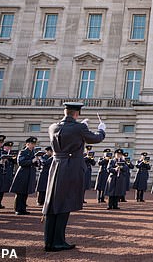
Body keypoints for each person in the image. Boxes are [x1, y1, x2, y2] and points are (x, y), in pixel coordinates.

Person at [42, 102, 105, 252]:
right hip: (70, 167)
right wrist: (101, 130)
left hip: (56, 165)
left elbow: (67, 135)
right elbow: (95, 139)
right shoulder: (79, 128)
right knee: (65, 203)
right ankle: (58, 241)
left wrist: (80, 128)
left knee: (53, 202)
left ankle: (49, 241)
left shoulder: (53, 127)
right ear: (76, 114)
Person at [10, 136, 39, 215]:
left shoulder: (33, 153)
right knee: (20, 193)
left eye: (34, 144)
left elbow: (36, 164)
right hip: (23, 174)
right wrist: (32, 160)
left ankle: (23, 209)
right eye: (31, 144)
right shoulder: (23, 152)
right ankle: (18, 209)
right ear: (27, 144)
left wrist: (37, 161)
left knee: (25, 193)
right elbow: (21, 162)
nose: (33, 145)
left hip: (30, 174)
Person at [0, 140, 15, 209]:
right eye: (8, 146)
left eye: (10, 147)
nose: (9, 148)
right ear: (4, 147)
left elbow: (14, 162)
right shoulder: (1, 152)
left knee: (3, 189)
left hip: (7, 174)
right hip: (2, 173)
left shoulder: (10, 154)